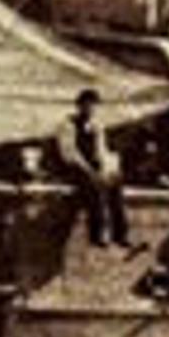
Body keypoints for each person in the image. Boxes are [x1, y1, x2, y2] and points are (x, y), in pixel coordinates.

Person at [55, 87, 131, 247]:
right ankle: (98, 233)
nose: (90, 109)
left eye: (93, 105)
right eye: (87, 105)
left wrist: (107, 170)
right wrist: (90, 171)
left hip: (91, 165)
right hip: (72, 167)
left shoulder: (96, 126)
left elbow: (100, 150)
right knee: (92, 187)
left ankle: (120, 232)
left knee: (115, 182)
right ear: (79, 106)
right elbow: (70, 153)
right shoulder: (67, 125)